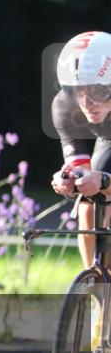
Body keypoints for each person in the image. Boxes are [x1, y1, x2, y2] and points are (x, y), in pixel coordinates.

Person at [50, 30, 111, 269]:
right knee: (88, 206)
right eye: (78, 91)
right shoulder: (64, 106)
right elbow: (83, 173)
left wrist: (104, 181)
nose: (87, 103)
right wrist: (70, 181)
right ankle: (96, 283)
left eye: (96, 90)